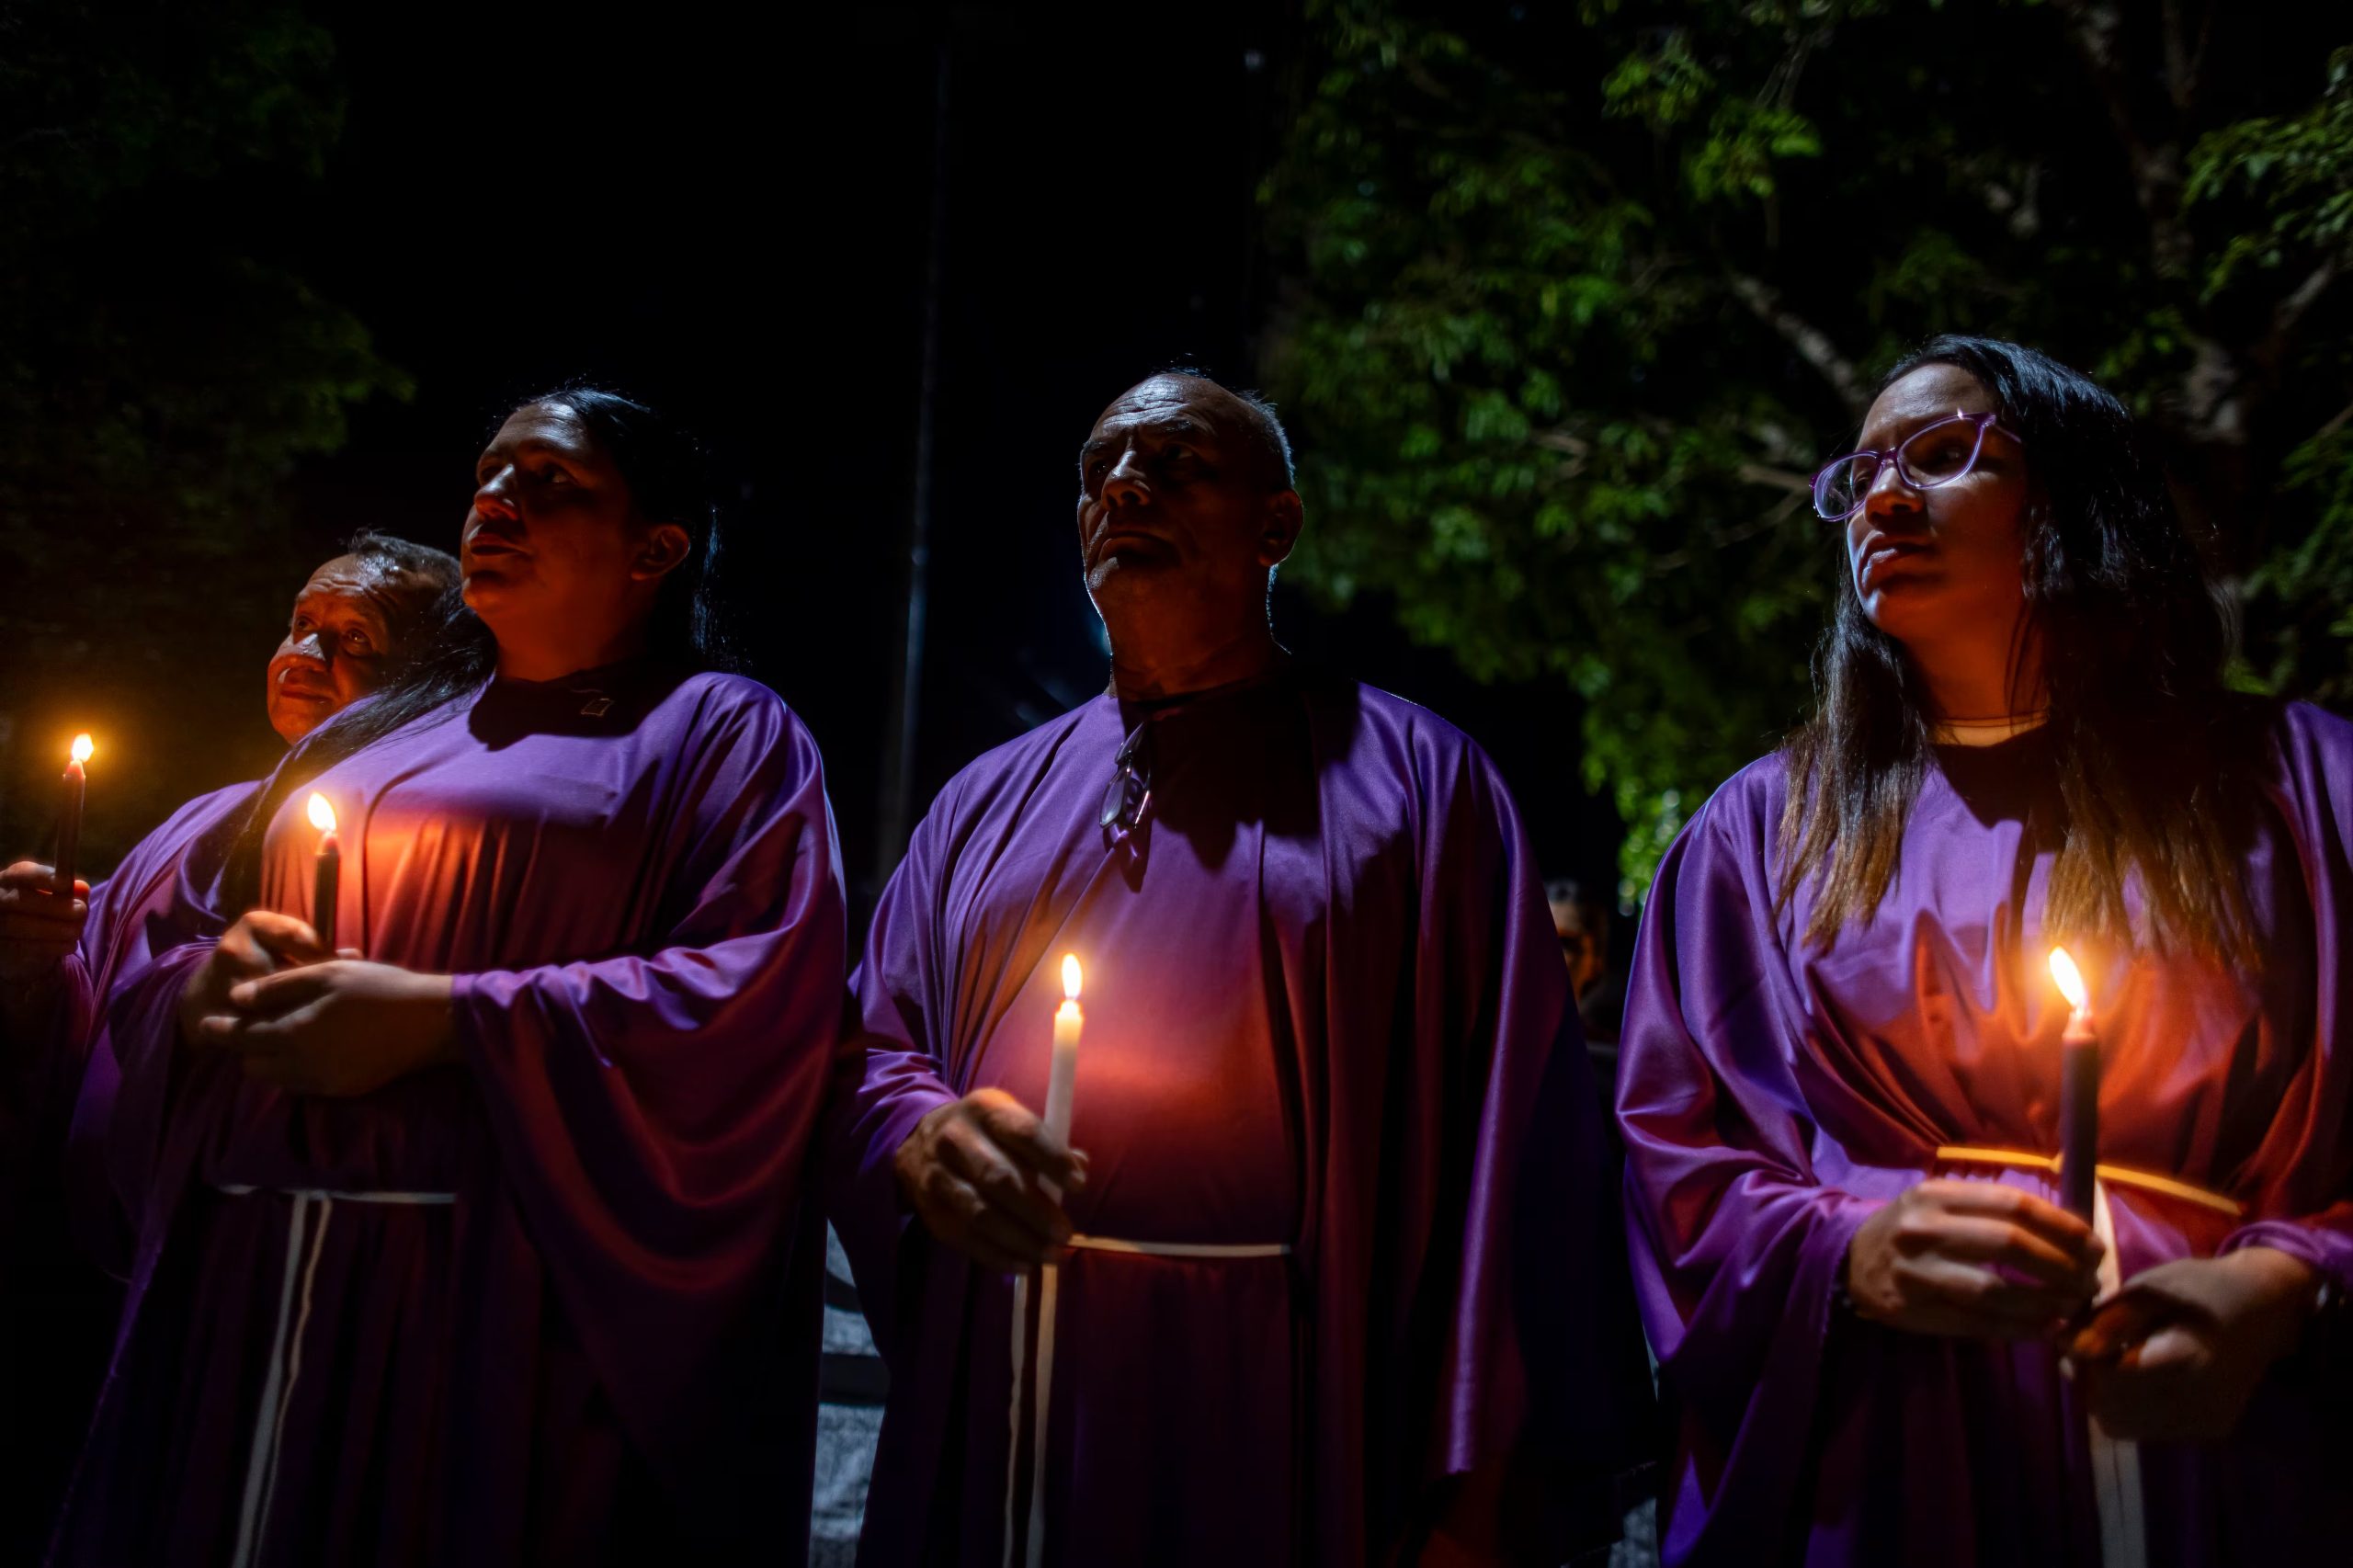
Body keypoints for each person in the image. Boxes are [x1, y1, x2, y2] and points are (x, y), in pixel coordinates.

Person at [828, 370, 1647, 1566]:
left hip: (1288, 1391)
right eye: (1099, 468)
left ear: (1278, 525)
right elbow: (873, 1046)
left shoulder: (1420, 790)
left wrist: (1478, 1495)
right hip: (1017, 1356)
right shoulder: (978, 805)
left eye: (1175, 463)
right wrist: (913, 1135)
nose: (1123, 486)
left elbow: (1512, 1144)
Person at [51, 390, 848, 1565]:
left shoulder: (718, 732)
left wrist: (447, 1019)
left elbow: (753, 989)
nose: (496, 499)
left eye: (548, 480)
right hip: (253, 1260)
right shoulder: (361, 739)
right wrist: (200, 992)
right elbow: (178, 941)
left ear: (657, 547)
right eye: (488, 474)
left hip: (491, 1288)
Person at [1617, 336, 2353, 1565]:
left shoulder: (2302, 787)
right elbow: (1678, 1151)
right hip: (1889, 1437)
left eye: (1947, 455)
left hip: (2223, 1426)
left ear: (2076, 496)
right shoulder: (1761, 833)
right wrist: (1844, 1252)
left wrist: (2296, 1282)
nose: (1887, 498)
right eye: (1860, 475)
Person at [0, 534, 453, 1561]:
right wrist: (28, 967)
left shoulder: (409, 824)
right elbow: (87, 1012)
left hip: (246, 1272)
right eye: (297, 622)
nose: (303, 649)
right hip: (80, 1260)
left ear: (429, 672)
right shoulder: (201, 818)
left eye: (352, 640)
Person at [1546, 876, 1623, 1052]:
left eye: (1565, 943)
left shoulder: (1618, 1067)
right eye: (1534, 940)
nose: (1543, 955)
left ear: (1595, 962)